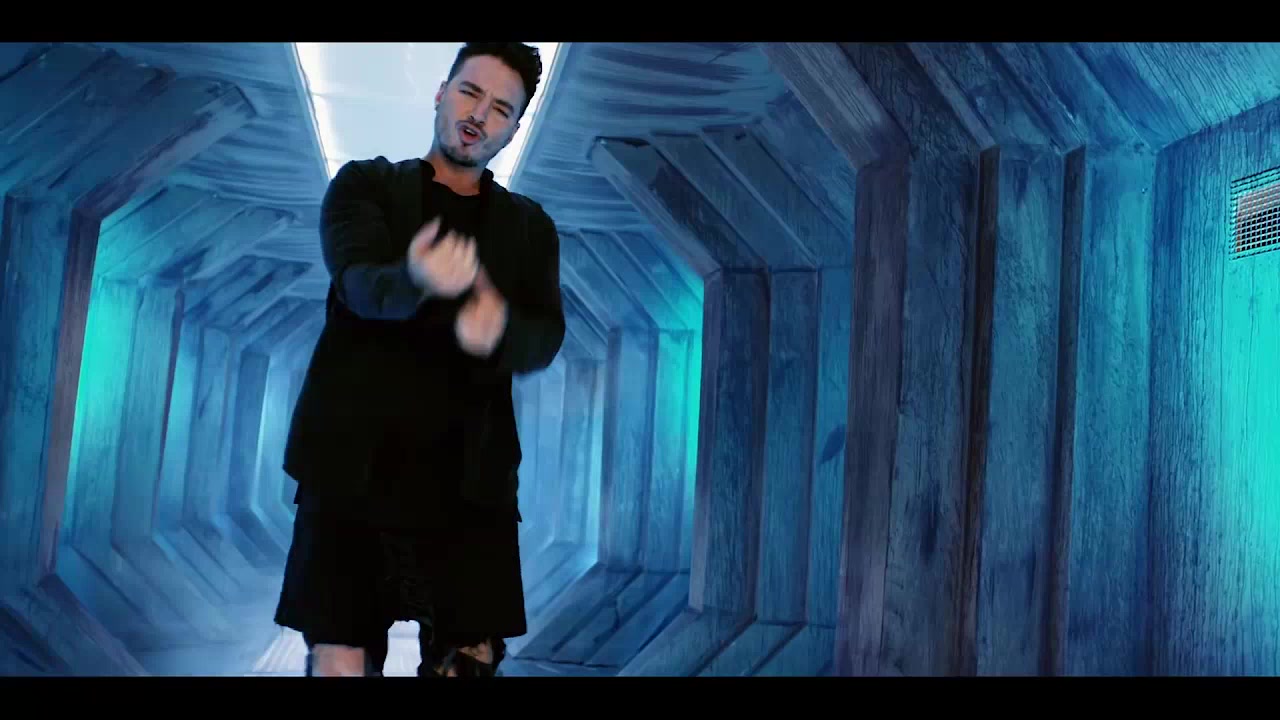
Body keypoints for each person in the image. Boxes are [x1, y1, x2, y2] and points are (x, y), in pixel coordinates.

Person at [272, 42, 564, 677]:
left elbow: (546, 335)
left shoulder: (529, 228)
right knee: (339, 659)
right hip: (351, 476)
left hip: (470, 487)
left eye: (501, 108)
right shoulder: (366, 186)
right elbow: (357, 284)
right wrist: (417, 278)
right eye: (470, 92)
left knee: (469, 664)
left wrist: (500, 330)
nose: (479, 114)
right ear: (440, 93)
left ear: (514, 128)